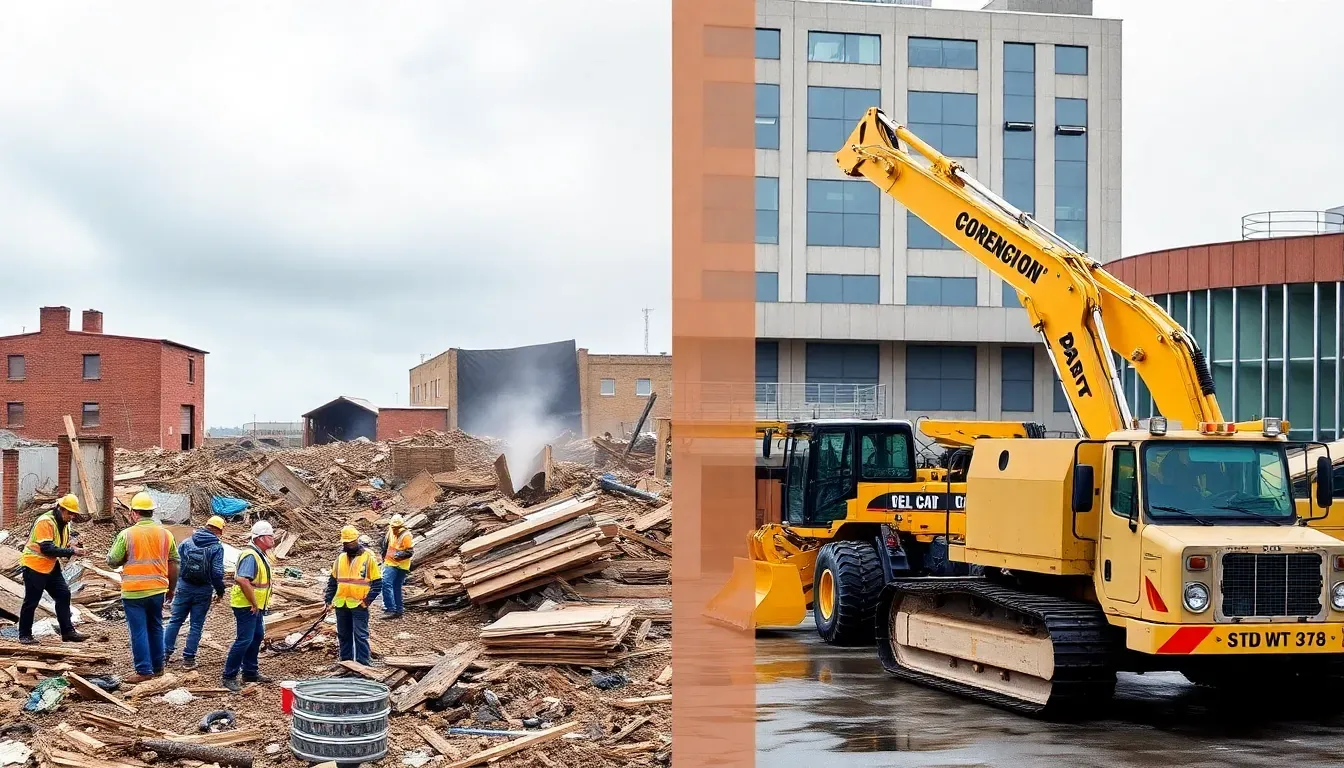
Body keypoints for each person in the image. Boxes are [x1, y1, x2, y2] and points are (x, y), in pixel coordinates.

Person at [107, 492, 178, 683]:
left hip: (134, 591)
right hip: (157, 589)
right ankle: (158, 666)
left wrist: (124, 558)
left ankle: (143, 670)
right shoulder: (166, 534)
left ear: (133, 513)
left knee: (138, 630)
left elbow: (112, 561)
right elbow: (174, 563)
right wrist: (171, 588)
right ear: (151, 512)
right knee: (156, 627)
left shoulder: (127, 534)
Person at [17, 494, 89, 645]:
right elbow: (47, 548)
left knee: (63, 594)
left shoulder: (65, 524)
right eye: (69, 513)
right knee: (31, 601)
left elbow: (59, 545)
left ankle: (67, 631)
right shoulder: (45, 521)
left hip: (50, 565)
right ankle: (24, 634)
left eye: (73, 514)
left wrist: (70, 548)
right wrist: (71, 552)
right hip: (34, 565)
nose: (72, 516)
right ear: (60, 509)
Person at [163, 515, 227, 671]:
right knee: (196, 625)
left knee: (175, 620)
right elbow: (217, 573)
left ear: (206, 526)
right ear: (219, 530)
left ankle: (163, 655)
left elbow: (176, 564)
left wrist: (174, 586)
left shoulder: (187, 542)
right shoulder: (217, 548)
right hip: (203, 590)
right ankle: (189, 660)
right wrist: (220, 590)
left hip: (184, 587)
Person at [222, 520, 276, 693]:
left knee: (257, 636)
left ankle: (250, 672)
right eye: (269, 536)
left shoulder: (259, 554)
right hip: (247, 605)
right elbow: (242, 579)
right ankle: (229, 675)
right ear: (259, 538)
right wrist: (254, 602)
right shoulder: (251, 555)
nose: (273, 539)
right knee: (244, 639)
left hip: (255, 605)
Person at [324, 526, 382, 666]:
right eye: (346, 543)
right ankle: (346, 663)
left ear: (357, 540)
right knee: (343, 635)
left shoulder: (368, 558)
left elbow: (377, 583)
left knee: (360, 635)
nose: (348, 545)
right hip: (341, 604)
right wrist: (328, 600)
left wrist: (366, 602)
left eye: (351, 542)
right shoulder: (340, 559)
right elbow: (332, 582)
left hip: (358, 604)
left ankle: (363, 665)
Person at [379, 514, 414, 619]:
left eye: (396, 527)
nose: (394, 529)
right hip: (390, 562)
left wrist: (399, 555)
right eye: (393, 527)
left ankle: (396, 609)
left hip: (401, 564)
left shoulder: (406, 535)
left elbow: (410, 551)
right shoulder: (390, 531)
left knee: (394, 586)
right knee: (386, 583)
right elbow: (386, 544)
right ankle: (392, 608)